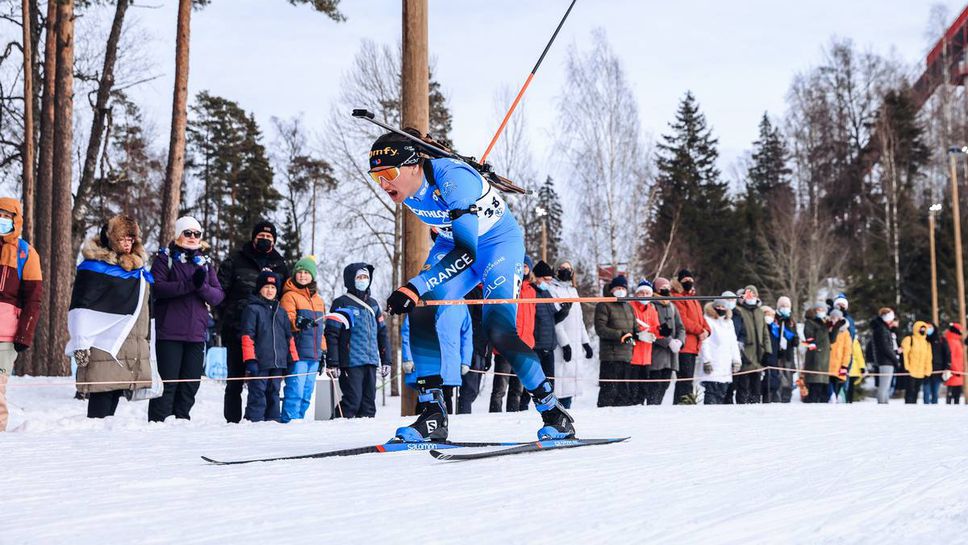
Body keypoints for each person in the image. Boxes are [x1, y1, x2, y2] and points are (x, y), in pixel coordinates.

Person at [367, 132, 573, 441]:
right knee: (422, 310)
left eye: (389, 174)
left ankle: (554, 412)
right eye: (376, 177)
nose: (383, 184)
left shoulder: (454, 178)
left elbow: (467, 252)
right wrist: (419, 289)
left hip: (497, 246)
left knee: (498, 330)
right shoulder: (406, 188)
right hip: (453, 243)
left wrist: (415, 285)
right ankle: (433, 416)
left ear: (413, 165)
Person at [68, 215, 153, 418]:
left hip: (128, 342)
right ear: (111, 238)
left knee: (115, 395)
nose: (127, 243)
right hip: (102, 344)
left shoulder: (138, 270)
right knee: (101, 396)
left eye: (131, 239)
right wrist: (80, 342)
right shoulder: (94, 268)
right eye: (122, 238)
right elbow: (81, 307)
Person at [147, 216, 224, 422]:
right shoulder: (165, 258)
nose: (192, 237)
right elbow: (157, 288)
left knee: (190, 384)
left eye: (196, 234)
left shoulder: (205, 263)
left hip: (196, 334)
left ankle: (181, 421)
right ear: (178, 235)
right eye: (187, 233)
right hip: (170, 332)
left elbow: (217, 296)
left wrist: (201, 287)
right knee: (168, 383)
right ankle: (159, 423)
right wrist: (189, 285)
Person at [218, 221, 289, 423]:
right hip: (236, 330)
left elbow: (286, 296)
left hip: (267, 337)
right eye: (261, 236)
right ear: (253, 238)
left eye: (269, 237)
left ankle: (264, 420)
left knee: (266, 384)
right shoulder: (236, 260)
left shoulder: (279, 264)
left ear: (274, 241)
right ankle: (232, 422)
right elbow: (220, 292)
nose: (265, 240)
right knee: (235, 381)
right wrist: (227, 316)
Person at [325, 263, 390, 418]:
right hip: (350, 362)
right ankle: (335, 427)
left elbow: (382, 333)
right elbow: (332, 334)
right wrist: (333, 362)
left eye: (365, 277)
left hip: (371, 361)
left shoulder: (374, 304)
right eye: (359, 277)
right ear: (350, 279)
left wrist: (386, 360)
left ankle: (365, 431)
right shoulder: (341, 303)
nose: (363, 280)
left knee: (369, 404)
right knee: (352, 401)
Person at [0, 198, 42, 431]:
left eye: (7, 216)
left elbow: (33, 299)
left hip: (6, 336)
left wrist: (25, 334)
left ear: (16, 220)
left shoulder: (26, 253)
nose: (2, 220)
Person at [240, 272, 299, 422]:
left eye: (273, 287)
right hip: (260, 361)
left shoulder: (281, 311)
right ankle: (254, 421)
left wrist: (293, 358)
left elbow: (289, 337)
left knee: (274, 392)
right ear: (260, 288)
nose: (269, 290)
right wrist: (250, 359)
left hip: (278, 362)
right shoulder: (252, 309)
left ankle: (273, 421)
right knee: (258, 393)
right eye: (266, 287)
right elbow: (247, 336)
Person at [279, 256, 327, 422]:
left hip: (314, 355)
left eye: (307, 272)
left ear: (312, 276)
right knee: (295, 391)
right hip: (298, 353)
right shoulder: (289, 295)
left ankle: (298, 421)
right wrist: (298, 322)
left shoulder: (318, 300)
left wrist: (323, 351)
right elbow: (286, 320)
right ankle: (289, 421)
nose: (303, 275)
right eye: (300, 272)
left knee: (307, 393)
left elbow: (321, 329)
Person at [401, 304, 472, 415]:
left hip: (449, 361)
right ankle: (423, 424)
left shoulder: (460, 304)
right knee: (426, 396)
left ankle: (445, 424)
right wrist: (408, 358)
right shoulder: (424, 299)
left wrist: (465, 360)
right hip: (426, 359)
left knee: (446, 397)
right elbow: (408, 330)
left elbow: (466, 335)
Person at [490, 256, 536, 412]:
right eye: (520, 265)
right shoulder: (507, 286)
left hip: (524, 345)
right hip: (507, 345)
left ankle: (513, 416)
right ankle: (494, 417)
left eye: (526, 266)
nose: (523, 269)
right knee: (500, 388)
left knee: (517, 389)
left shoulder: (532, 291)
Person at [518, 260, 562, 411]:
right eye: (545, 279)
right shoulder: (531, 292)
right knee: (532, 381)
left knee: (549, 382)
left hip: (549, 344)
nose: (548, 283)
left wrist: (563, 312)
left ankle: (551, 409)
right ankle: (522, 408)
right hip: (536, 344)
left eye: (550, 280)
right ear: (537, 277)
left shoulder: (547, 293)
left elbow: (552, 318)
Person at [549, 258, 591, 410]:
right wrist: (565, 344)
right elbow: (555, 321)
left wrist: (586, 342)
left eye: (568, 268)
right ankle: (556, 412)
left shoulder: (573, 291)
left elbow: (579, 319)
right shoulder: (552, 289)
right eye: (562, 268)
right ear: (556, 270)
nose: (566, 271)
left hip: (575, 342)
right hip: (561, 344)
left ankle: (567, 411)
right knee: (560, 384)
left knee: (570, 386)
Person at [594, 276, 636, 407]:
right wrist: (620, 335)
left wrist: (640, 334)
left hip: (626, 356)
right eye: (618, 288)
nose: (621, 291)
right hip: (610, 356)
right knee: (609, 390)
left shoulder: (628, 307)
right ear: (612, 289)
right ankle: (603, 414)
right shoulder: (604, 305)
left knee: (623, 393)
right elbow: (601, 329)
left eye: (623, 288)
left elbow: (634, 328)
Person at [671, 269, 709, 405]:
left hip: (694, 346)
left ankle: (686, 402)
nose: (689, 282)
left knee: (689, 378)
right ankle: (682, 403)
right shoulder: (676, 297)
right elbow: (683, 320)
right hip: (684, 345)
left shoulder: (693, 299)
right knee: (684, 378)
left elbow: (701, 318)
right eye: (685, 280)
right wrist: (700, 330)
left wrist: (707, 330)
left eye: (690, 280)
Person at [646, 277, 685, 405]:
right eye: (663, 287)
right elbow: (651, 327)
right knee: (654, 386)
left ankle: (658, 408)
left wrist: (679, 341)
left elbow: (680, 327)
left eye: (668, 287)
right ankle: (652, 408)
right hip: (656, 354)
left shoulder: (672, 306)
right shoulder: (651, 305)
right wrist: (668, 342)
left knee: (665, 385)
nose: (666, 290)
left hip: (671, 356)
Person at [696, 299, 741, 404]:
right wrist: (706, 361)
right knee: (711, 392)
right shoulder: (708, 320)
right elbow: (705, 342)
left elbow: (733, 343)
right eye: (718, 306)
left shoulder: (729, 322)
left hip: (726, 364)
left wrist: (736, 360)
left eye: (723, 307)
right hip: (713, 362)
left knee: (722, 392)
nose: (720, 309)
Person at [734, 285, 772, 403]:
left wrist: (768, 352)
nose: (751, 296)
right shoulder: (739, 311)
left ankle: (755, 405)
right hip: (745, 354)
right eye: (748, 293)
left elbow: (765, 334)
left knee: (756, 388)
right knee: (743, 386)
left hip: (758, 355)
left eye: (753, 294)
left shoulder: (760, 312)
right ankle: (741, 406)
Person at [629, 280, 659, 405]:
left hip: (646, 356)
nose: (644, 295)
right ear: (637, 294)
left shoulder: (652, 309)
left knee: (643, 389)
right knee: (632, 390)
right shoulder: (630, 306)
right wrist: (638, 334)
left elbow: (655, 328)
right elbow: (628, 327)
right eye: (642, 293)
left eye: (647, 293)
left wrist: (661, 331)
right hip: (632, 356)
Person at [869, 307, 900, 404]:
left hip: (886, 360)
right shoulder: (882, 329)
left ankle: (885, 404)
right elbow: (886, 347)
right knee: (884, 386)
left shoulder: (884, 329)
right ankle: (882, 404)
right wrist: (895, 359)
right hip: (885, 361)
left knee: (886, 386)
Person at [720, 290, 746, 404]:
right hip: (722, 351)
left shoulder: (738, 314)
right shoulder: (719, 314)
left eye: (732, 300)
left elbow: (743, 331)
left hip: (735, 350)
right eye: (728, 299)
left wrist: (740, 341)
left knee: (734, 380)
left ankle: (730, 398)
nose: (730, 302)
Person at [802, 304, 831, 403]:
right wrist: (824, 328)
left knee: (824, 394)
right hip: (814, 359)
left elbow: (831, 339)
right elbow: (813, 339)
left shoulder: (824, 322)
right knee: (814, 389)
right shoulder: (810, 322)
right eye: (818, 309)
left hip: (825, 361)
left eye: (823, 310)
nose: (821, 311)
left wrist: (835, 327)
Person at [901, 321, 932, 404]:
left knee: (916, 392)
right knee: (909, 392)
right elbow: (905, 355)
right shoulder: (909, 340)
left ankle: (914, 407)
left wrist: (928, 372)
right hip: (910, 371)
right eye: (921, 329)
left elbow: (928, 359)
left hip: (921, 373)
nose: (923, 331)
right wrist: (906, 367)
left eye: (924, 329)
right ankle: (908, 406)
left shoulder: (926, 343)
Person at [774, 296, 799, 403]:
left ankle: (787, 399)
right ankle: (777, 399)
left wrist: (795, 339)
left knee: (788, 380)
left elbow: (795, 338)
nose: (785, 308)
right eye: (783, 306)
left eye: (787, 306)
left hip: (788, 355)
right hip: (778, 355)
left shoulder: (791, 321)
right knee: (778, 379)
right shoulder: (775, 319)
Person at [827, 309, 852, 403]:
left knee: (837, 384)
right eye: (832, 318)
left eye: (836, 318)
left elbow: (847, 350)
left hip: (838, 364)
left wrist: (845, 365)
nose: (834, 320)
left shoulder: (845, 332)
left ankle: (836, 397)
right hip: (828, 364)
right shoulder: (828, 329)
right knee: (828, 384)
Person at [924, 323, 949, 405]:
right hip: (925, 370)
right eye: (927, 327)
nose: (928, 329)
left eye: (930, 327)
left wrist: (946, 367)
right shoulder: (923, 339)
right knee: (926, 391)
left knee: (935, 392)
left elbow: (947, 354)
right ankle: (925, 408)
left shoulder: (941, 339)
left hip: (937, 369)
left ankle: (934, 408)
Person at [944, 323, 964, 404]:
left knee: (957, 394)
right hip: (955, 372)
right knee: (952, 393)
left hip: (958, 371)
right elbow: (951, 357)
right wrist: (956, 369)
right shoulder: (952, 341)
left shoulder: (956, 341)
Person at [846, 335, 866, 403]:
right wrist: (862, 367)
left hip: (845, 366)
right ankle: (849, 401)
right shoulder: (855, 342)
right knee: (850, 386)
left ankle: (846, 400)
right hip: (852, 368)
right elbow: (859, 355)